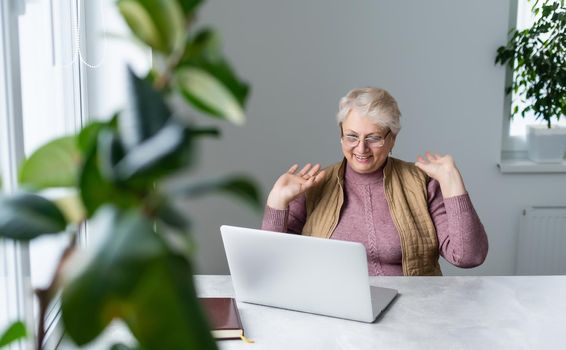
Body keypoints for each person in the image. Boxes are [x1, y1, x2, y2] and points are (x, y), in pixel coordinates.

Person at [261, 87, 488, 276]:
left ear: (392, 139)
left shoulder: (422, 183)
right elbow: (273, 266)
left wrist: (453, 185)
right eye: (352, 136)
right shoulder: (313, 185)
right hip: (332, 313)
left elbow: (468, 256)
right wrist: (277, 203)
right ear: (341, 137)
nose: (361, 148)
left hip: (411, 313)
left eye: (374, 138)